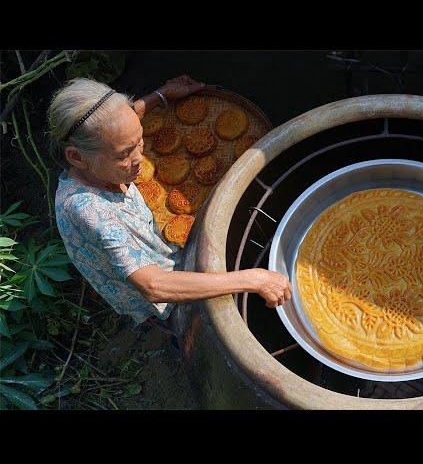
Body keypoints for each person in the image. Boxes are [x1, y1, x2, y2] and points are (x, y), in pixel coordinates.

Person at [49, 75, 291, 329]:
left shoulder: (101, 154)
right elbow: (154, 286)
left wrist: (160, 96)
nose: (139, 159)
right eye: (124, 154)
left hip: (158, 250)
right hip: (160, 292)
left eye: (139, 141)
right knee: (190, 323)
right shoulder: (87, 210)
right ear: (76, 157)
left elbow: (122, 122)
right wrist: (254, 279)